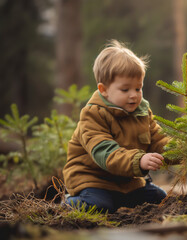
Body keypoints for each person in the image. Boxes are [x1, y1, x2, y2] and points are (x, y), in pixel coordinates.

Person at [63, 40, 170, 213]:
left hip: (127, 182)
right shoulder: (92, 115)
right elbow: (105, 153)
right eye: (125, 89)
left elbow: (158, 139)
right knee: (99, 206)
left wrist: (180, 150)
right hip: (94, 181)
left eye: (138, 88)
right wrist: (139, 160)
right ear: (103, 89)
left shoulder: (142, 112)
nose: (134, 96)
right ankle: (68, 204)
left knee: (161, 200)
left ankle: (121, 199)